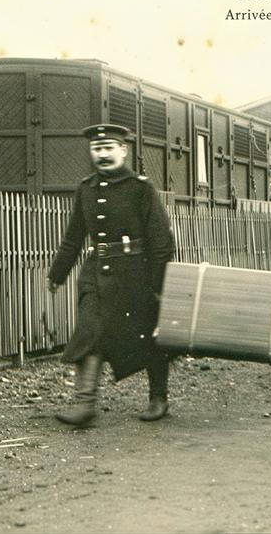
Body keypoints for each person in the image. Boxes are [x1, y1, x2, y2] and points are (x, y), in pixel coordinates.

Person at [48, 124, 176, 427]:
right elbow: (74, 237)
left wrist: (159, 285)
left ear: (123, 150)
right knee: (89, 332)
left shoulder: (141, 188)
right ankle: (85, 403)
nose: (102, 155)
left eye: (108, 148)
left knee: (149, 335)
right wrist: (57, 274)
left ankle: (159, 398)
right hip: (96, 274)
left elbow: (161, 242)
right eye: (96, 149)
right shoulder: (86, 188)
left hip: (137, 275)